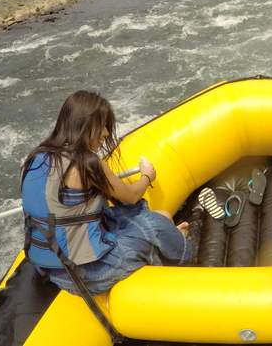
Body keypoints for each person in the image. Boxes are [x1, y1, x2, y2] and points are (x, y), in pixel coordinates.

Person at [21, 90, 191, 297]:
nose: (106, 134)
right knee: (154, 225)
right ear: (85, 124)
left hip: (50, 269)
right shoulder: (87, 164)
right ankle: (184, 251)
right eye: (102, 126)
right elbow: (130, 196)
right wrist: (147, 176)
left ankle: (169, 238)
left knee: (152, 218)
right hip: (89, 274)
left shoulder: (36, 157)